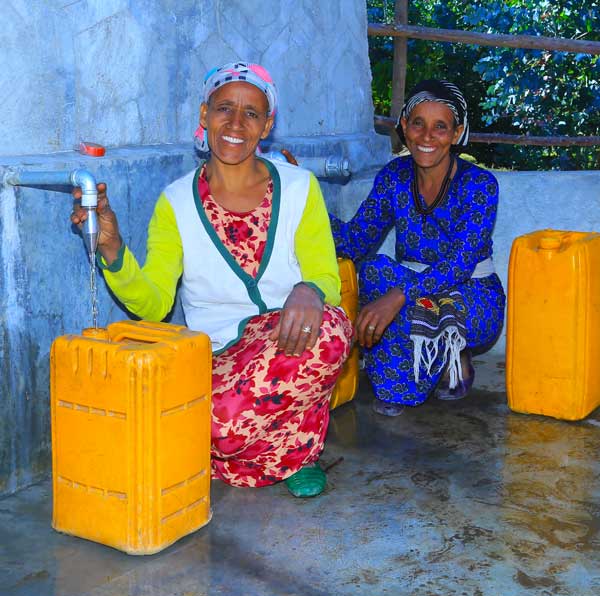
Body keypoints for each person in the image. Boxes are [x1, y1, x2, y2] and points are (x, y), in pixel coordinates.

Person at [72, 62, 353, 497]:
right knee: (219, 419)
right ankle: (289, 456)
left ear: (267, 126)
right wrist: (112, 249)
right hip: (218, 359)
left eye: (252, 113)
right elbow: (153, 304)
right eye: (225, 108)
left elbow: (326, 278)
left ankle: (248, 454)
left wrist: (308, 289)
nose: (236, 123)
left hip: (289, 339)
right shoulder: (176, 201)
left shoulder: (300, 187)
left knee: (331, 331)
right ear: (205, 115)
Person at [330, 79, 505, 416]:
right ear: (405, 127)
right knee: (371, 271)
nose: (427, 136)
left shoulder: (480, 184)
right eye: (418, 123)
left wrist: (396, 296)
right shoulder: (395, 175)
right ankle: (431, 361)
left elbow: (459, 265)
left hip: (470, 293)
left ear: (456, 134)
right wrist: (300, 197)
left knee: (409, 307)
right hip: (411, 291)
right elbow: (356, 240)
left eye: (440, 127)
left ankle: (452, 355)